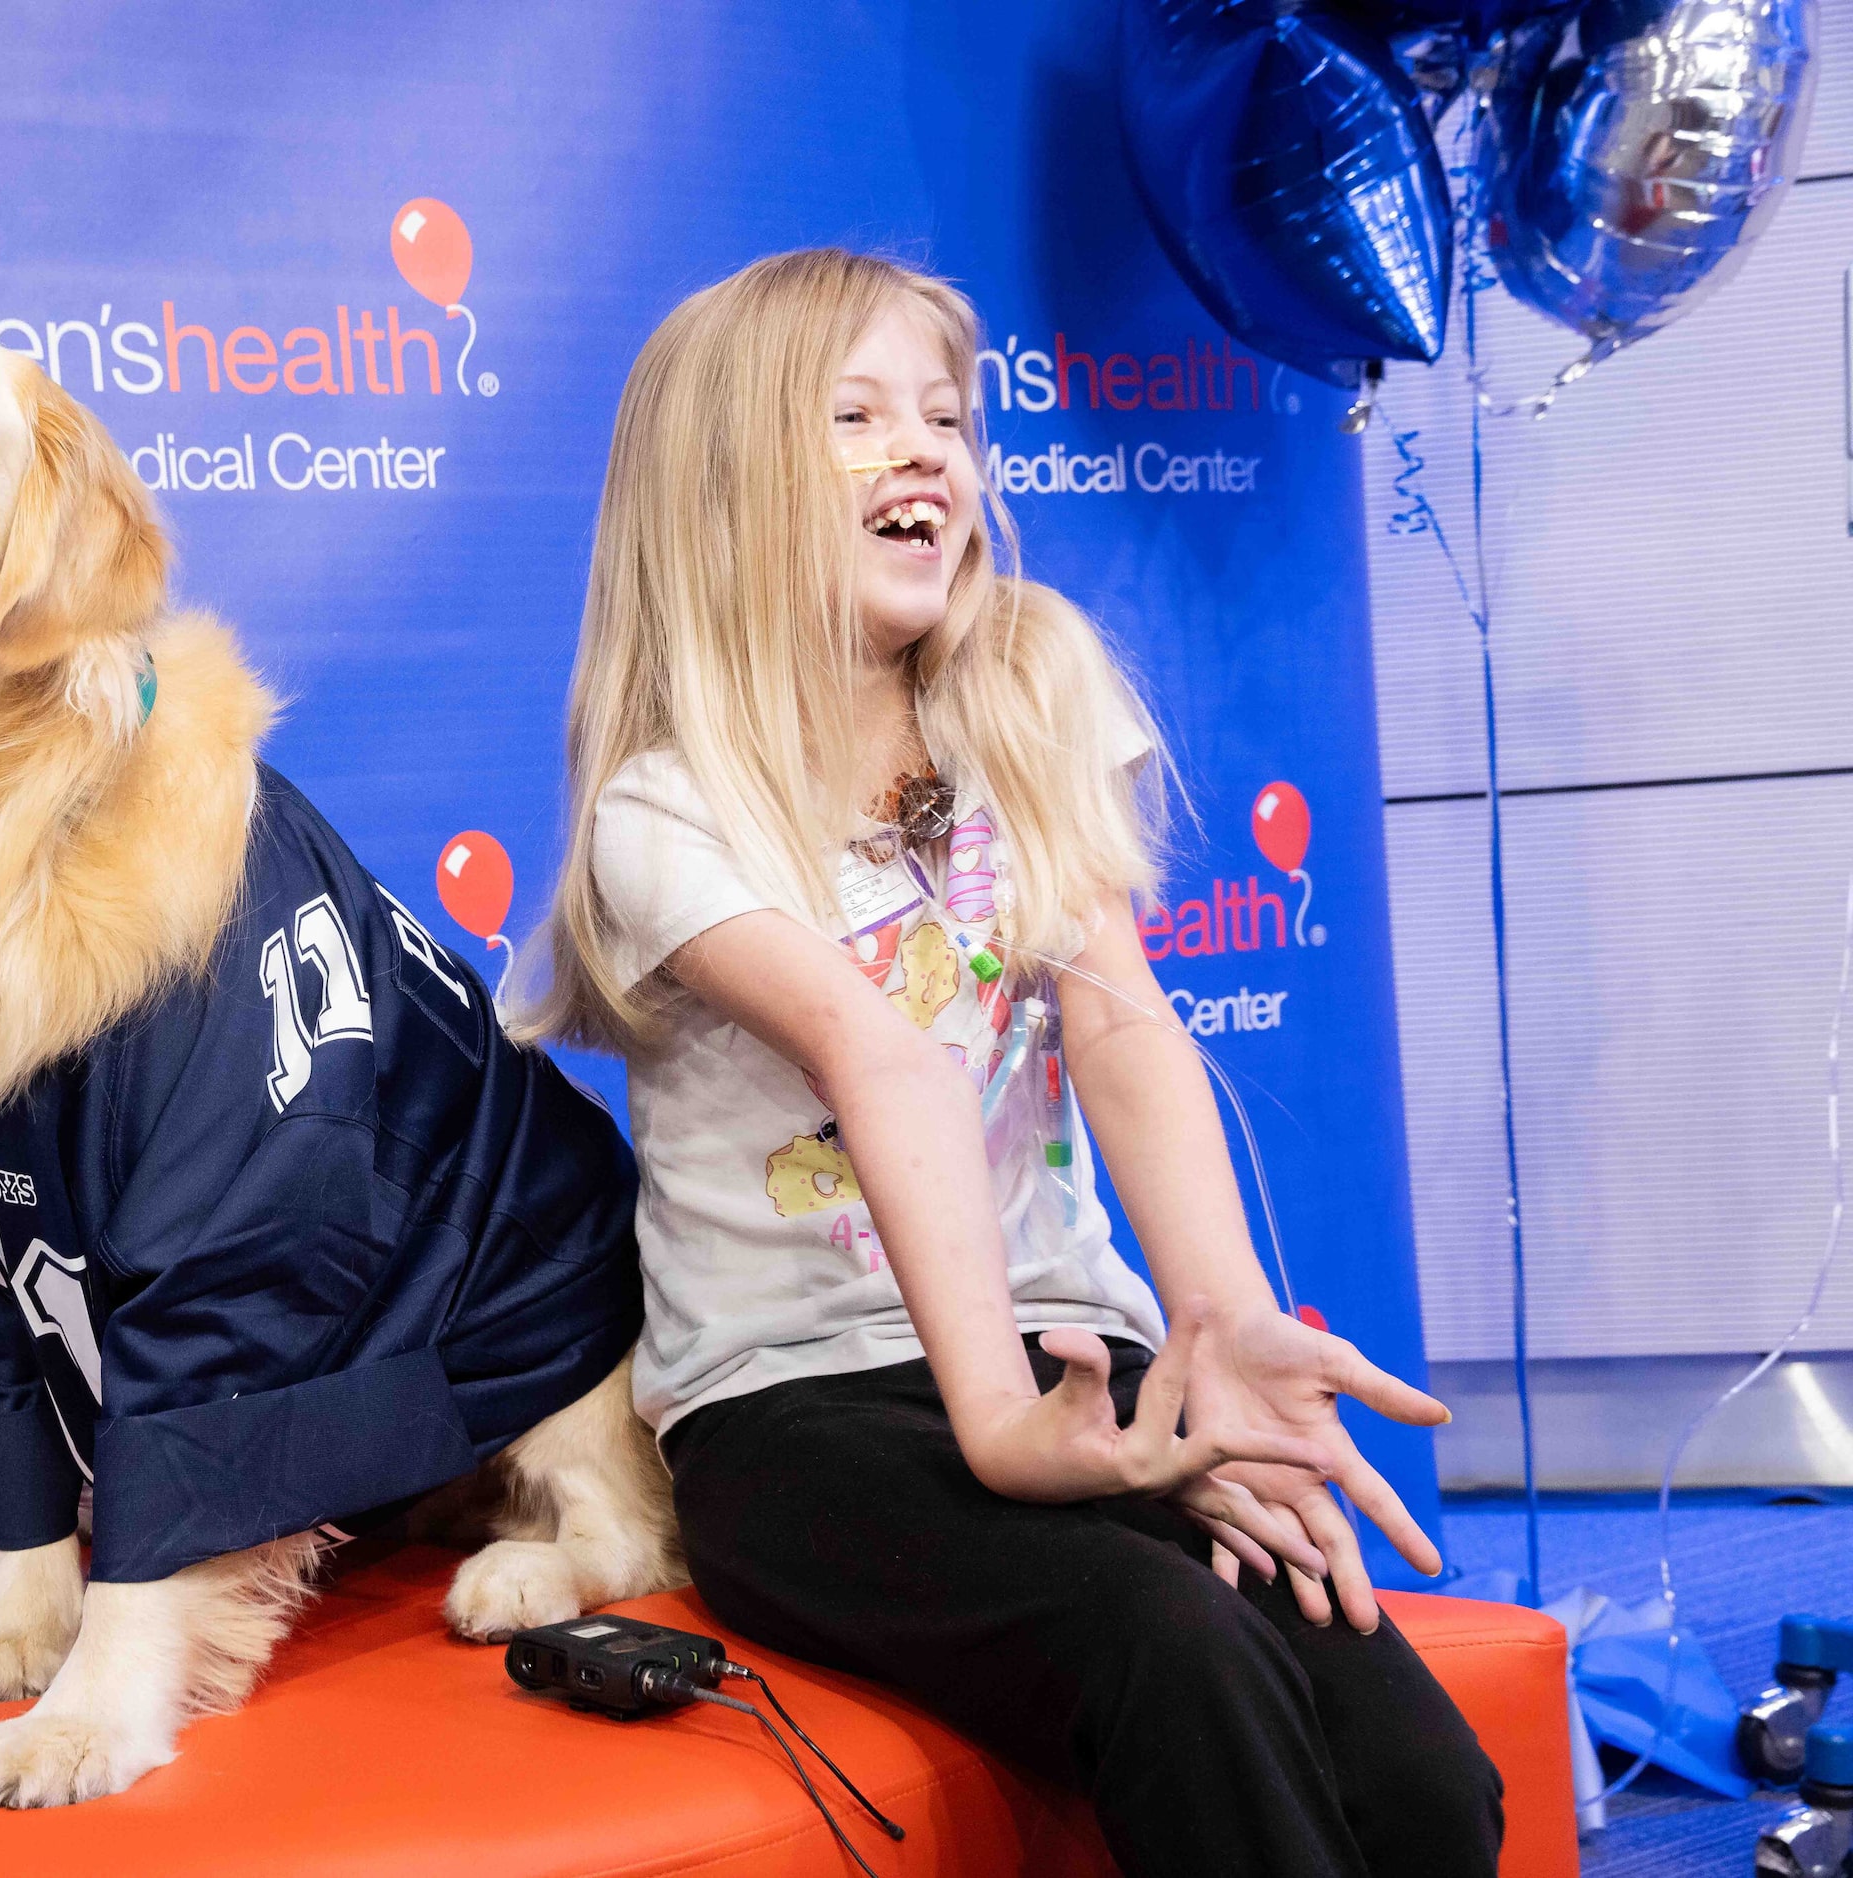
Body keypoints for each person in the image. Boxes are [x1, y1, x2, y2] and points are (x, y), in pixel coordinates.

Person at [520, 248, 1504, 1877]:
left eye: (946, 415)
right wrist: (993, 1424)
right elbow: (881, 1054)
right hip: (798, 1415)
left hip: (1062, 1353)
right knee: (1167, 1648)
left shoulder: (1024, 684)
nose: (926, 449)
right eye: (854, 416)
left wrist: (1212, 1333)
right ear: (719, 494)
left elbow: (1116, 1015)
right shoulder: (663, 809)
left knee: (1409, 1764)